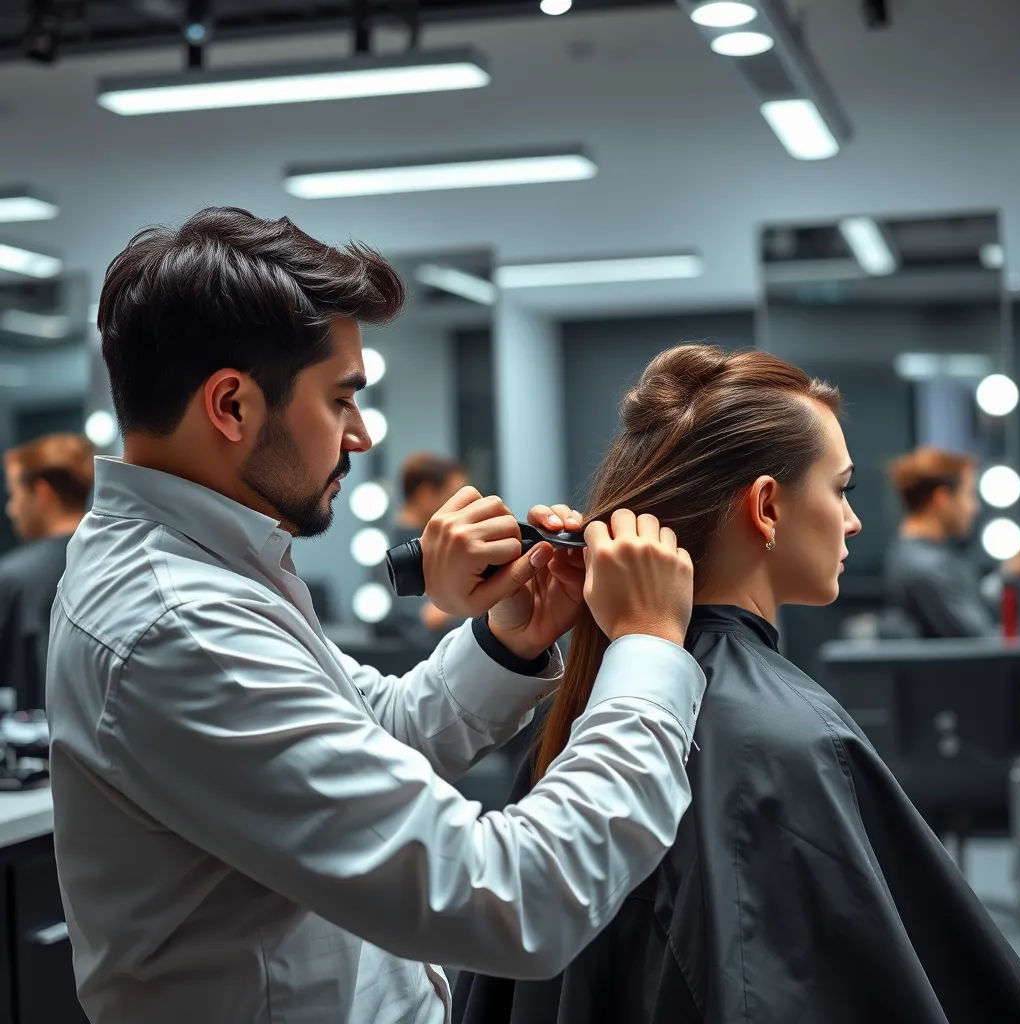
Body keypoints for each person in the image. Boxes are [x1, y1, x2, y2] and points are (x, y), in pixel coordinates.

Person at [46, 206, 707, 1024]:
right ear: (231, 406)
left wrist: (510, 639)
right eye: (341, 399)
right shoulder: (180, 625)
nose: (360, 435)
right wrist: (646, 653)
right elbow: (514, 895)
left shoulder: (210, 566)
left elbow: (368, 735)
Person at [455, 345, 1020, 1024]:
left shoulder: (585, 717)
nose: (854, 520)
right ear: (766, 507)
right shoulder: (779, 739)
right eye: (841, 489)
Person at [884, 446, 1020, 637]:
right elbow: (981, 644)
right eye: (968, 495)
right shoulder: (930, 568)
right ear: (942, 498)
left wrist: (1007, 574)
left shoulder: (912, 556)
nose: (974, 507)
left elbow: (970, 602)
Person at [0, 433, 94, 708]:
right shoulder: (118, 560)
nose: (11, 510)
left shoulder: (14, 579)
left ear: (41, 493)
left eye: (13, 495)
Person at [380, 452, 469, 642]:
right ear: (426, 494)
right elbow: (427, 618)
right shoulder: (395, 550)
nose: (462, 506)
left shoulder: (434, 543)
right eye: (453, 495)